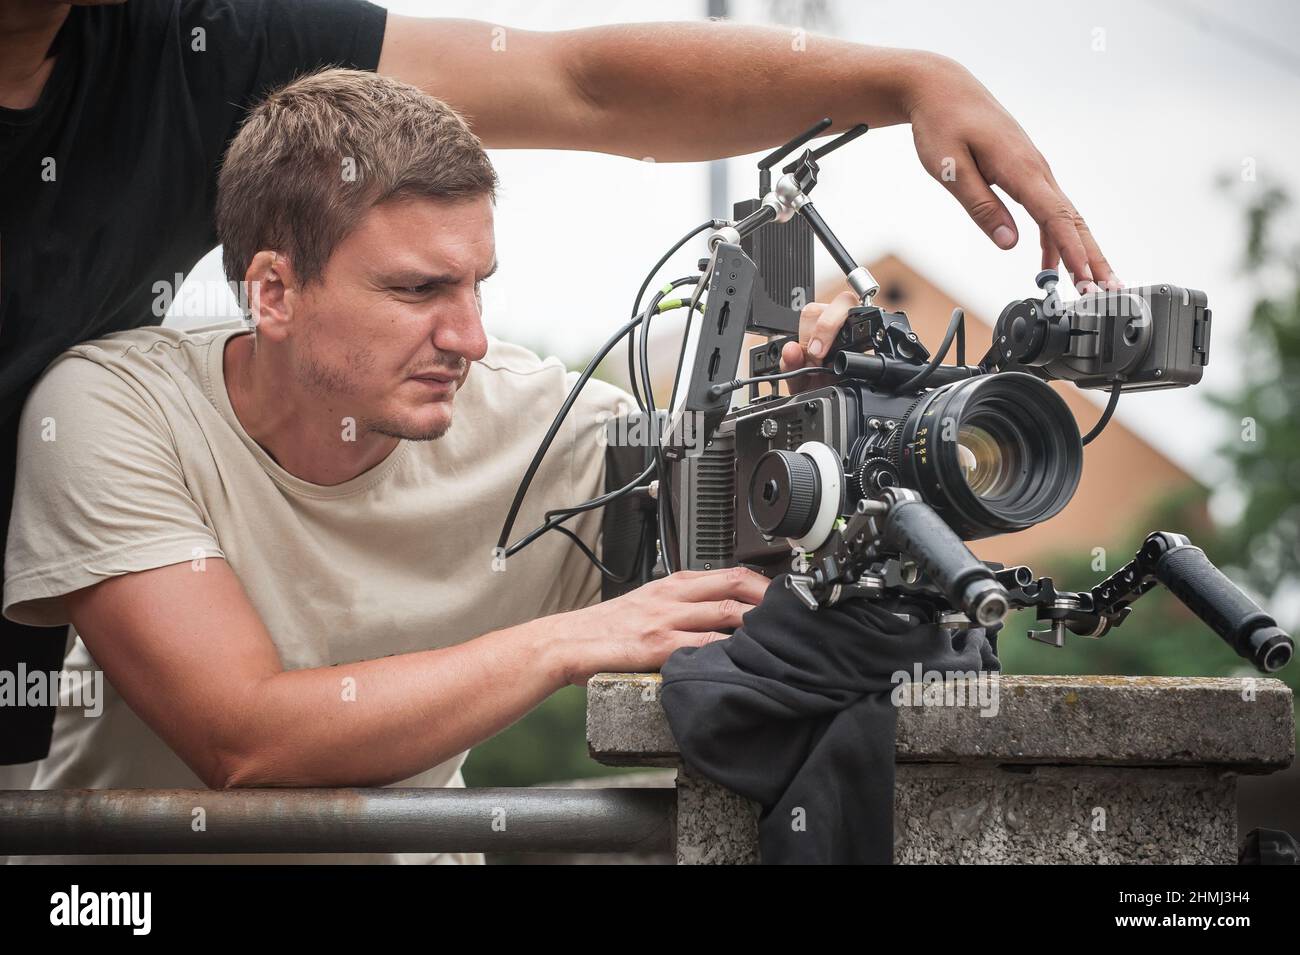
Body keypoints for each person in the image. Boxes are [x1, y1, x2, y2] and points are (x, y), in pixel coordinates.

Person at [0, 0, 1117, 768]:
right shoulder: (107, 408)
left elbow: (577, 83)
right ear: (274, 293)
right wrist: (567, 642)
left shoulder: (544, 429)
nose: (472, 337)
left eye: (479, 285)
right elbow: (241, 736)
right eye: (415, 289)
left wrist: (843, 417)